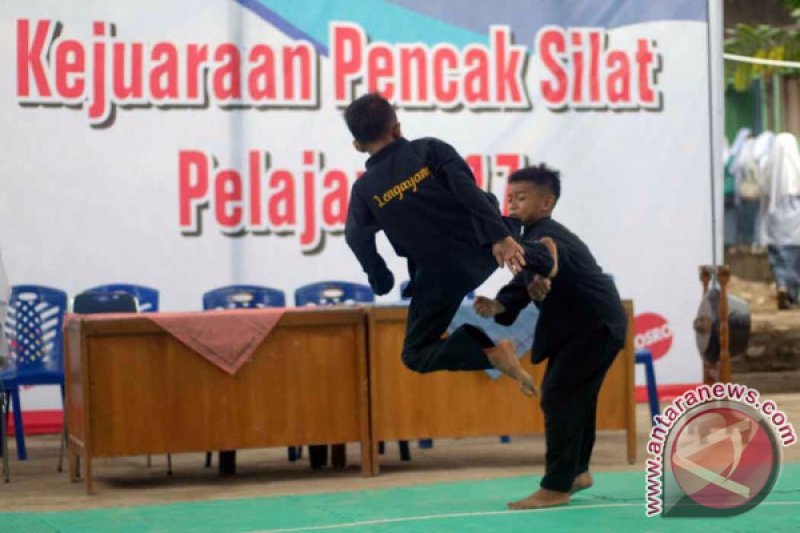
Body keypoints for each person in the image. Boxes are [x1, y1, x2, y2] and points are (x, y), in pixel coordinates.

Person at [343, 93, 552, 395]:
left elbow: (356, 236)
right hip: (485, 250)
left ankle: (489, 354)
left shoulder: (364, 190)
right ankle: (547, 262)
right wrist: (500, 236)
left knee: (415, 353)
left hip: (441, 277)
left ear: (358, 146)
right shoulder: (430, 149)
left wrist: (379, 276)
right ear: (397, 129)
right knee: (528, 245)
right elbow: (469, 193)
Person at [474, 164, 627, 509]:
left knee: (559, 396)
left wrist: (545, 263)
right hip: (584, 325)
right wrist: (500, 305)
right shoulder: (531, 236)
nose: (511, 204)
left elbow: (542, 255)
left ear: (546, 203)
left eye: (521, 198)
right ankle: (577, 472)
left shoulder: (547, 235)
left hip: (594, 326)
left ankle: (556, 486)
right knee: (576, 398)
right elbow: (526, 279)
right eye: (509, 197)